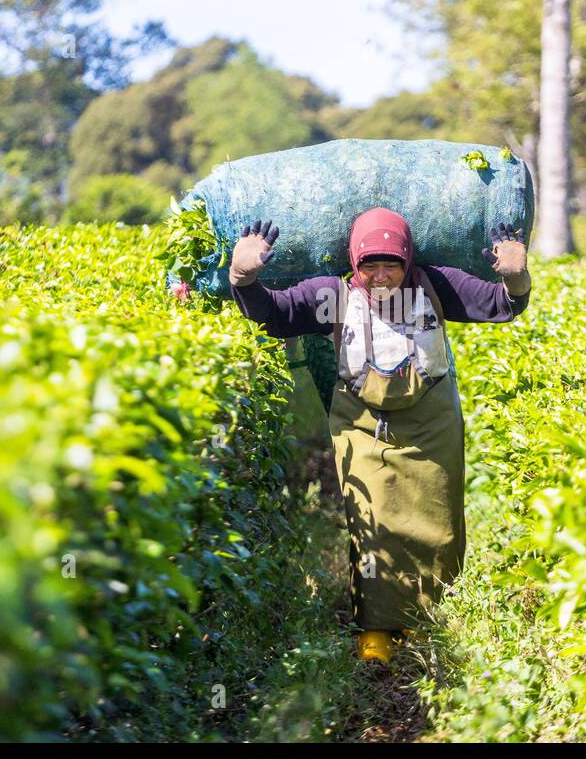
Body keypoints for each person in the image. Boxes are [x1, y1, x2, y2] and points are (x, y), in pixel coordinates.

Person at [228, 206, 532, 663]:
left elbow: (502, 306)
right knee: (373, 526)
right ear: (355, 265)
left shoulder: (435, 285)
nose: (382, 276)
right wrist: (243, 276)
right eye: (371, 267)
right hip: (362, 426)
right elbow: (273, 314)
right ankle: (376, 631)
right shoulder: (333, 294)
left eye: (391, 265)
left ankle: (433, 619)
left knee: (439, 524)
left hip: (431, 423)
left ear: (408, 262)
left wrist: (515, 277)